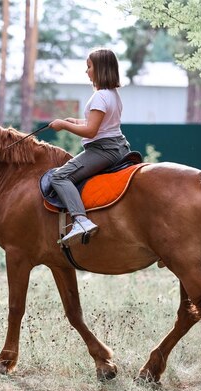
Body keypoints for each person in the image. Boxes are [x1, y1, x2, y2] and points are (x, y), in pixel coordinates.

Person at [49, 48, 131, 246]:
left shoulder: (99, 97)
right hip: (119, 146)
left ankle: (81, 220)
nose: (86, 71)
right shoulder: (112, 95)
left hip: (103, 150)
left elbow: (92, 131)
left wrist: (63, 125)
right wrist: (76, 121)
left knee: (59, 176)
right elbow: (101, 124)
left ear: (100, 69)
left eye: (89, 66)